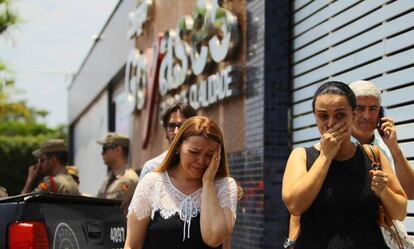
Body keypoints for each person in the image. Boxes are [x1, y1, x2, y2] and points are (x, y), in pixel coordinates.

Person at [282, 81, 407, 248]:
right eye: (323, 116)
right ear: (315, 117)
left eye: (340, 115)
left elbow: (400, 212)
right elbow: (294, 205)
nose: (331, 123)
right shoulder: (302, 156)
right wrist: (325, 156)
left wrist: (384, 191)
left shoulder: (372, 155)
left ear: (353, 116)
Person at [125, 116, 239, 249]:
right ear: (178, 146)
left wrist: (208, 183)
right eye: (194, 152)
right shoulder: (152, 183)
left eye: (210, 154)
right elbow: (132, 245)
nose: (201, 160)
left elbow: (213, 238)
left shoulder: (225, 186)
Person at [349, 80, 414, 199]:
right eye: (360, 108)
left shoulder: (389, 148)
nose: (367, 116)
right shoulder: (335, 147)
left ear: (381, 113)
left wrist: (394, 149)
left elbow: (411, 193)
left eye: (373, 109)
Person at [139, 103, 197, 179]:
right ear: (166, 131)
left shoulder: (201, 165)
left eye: (182, 126)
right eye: (172, 126)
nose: (176, 131)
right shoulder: (152, 168)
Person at [96, 132, 139, 204]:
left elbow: (113, 207)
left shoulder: (129, 179)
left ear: (118, 150)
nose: (102, 153)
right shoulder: (109, 178)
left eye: (105, 149)